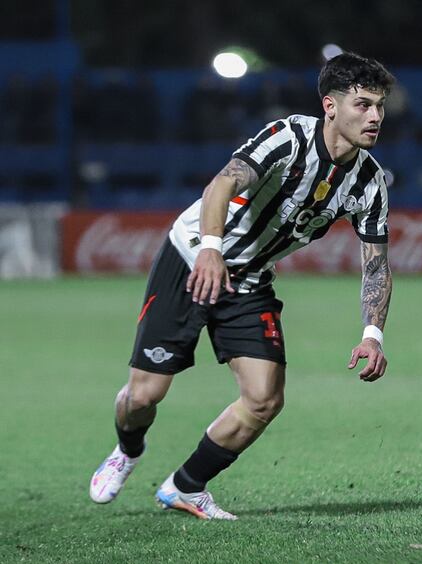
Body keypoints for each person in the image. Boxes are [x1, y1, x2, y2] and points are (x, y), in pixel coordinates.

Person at [89, 52, 395, 520]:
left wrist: (372, 334)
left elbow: (375, 265)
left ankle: (186, 486)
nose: (374, 116)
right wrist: (212, 248)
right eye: (362, 104)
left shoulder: (370, 181)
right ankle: (128, 449)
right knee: (144, 396)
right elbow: (221, 185)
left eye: (379, 105)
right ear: (329, 106)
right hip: (193, 257)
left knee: (265, 398)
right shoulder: (289, 138)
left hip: (249, 279)